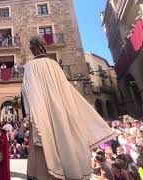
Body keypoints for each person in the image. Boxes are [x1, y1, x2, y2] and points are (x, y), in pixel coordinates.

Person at [22, 35, 114, 180]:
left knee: (45, 151)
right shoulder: (55, 65)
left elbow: (28, 92)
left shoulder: (30, 67)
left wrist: (30, 114)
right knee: (66, 139)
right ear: (44, 46)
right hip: (62, 112)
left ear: (32, 49)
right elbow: (66, 89)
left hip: (42, 115)